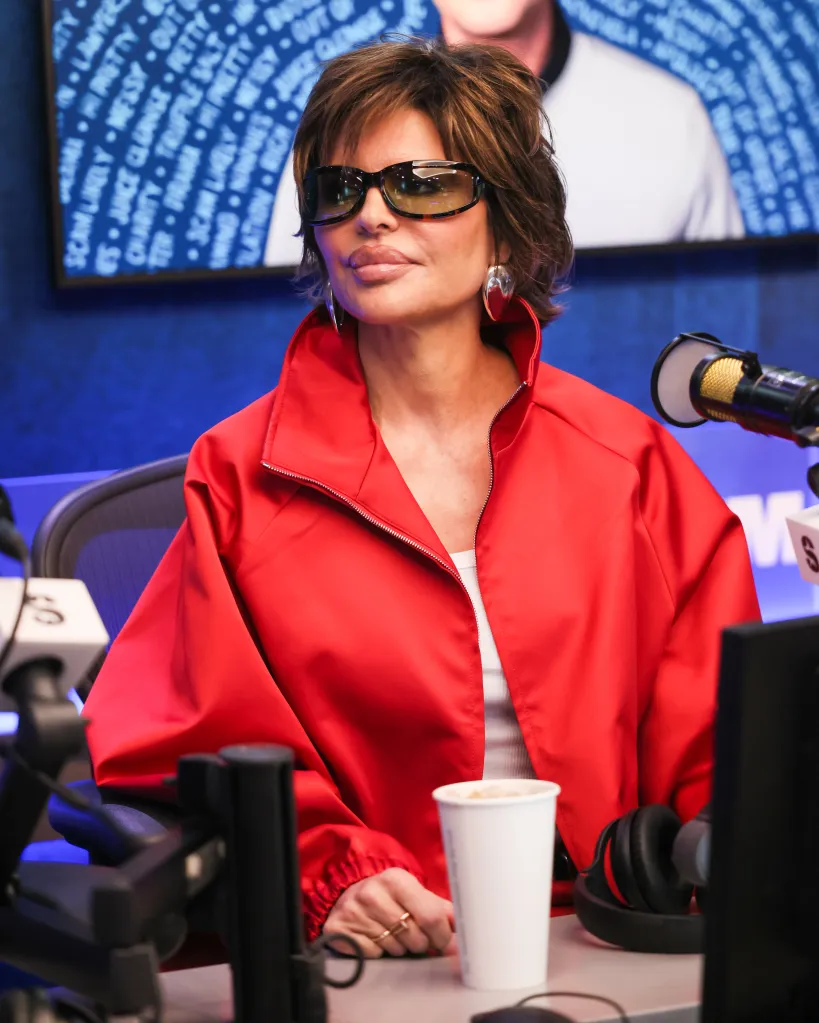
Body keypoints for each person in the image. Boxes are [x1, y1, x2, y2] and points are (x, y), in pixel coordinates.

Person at [84, 38, 759, 959]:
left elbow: (729, 746)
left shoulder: (629, 460)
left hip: (611, 939)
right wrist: (332, 872)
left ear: (507, 224)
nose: (371, 215)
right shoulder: (238, 473)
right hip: (370, 955)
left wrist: (693, 877)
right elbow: (174, 744)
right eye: (340, 189)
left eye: (421, 185)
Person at [262, 0, 744, 266]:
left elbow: (724, 322)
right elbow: (283, 308)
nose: (375, 219)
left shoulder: (669, 117)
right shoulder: (346, 121)